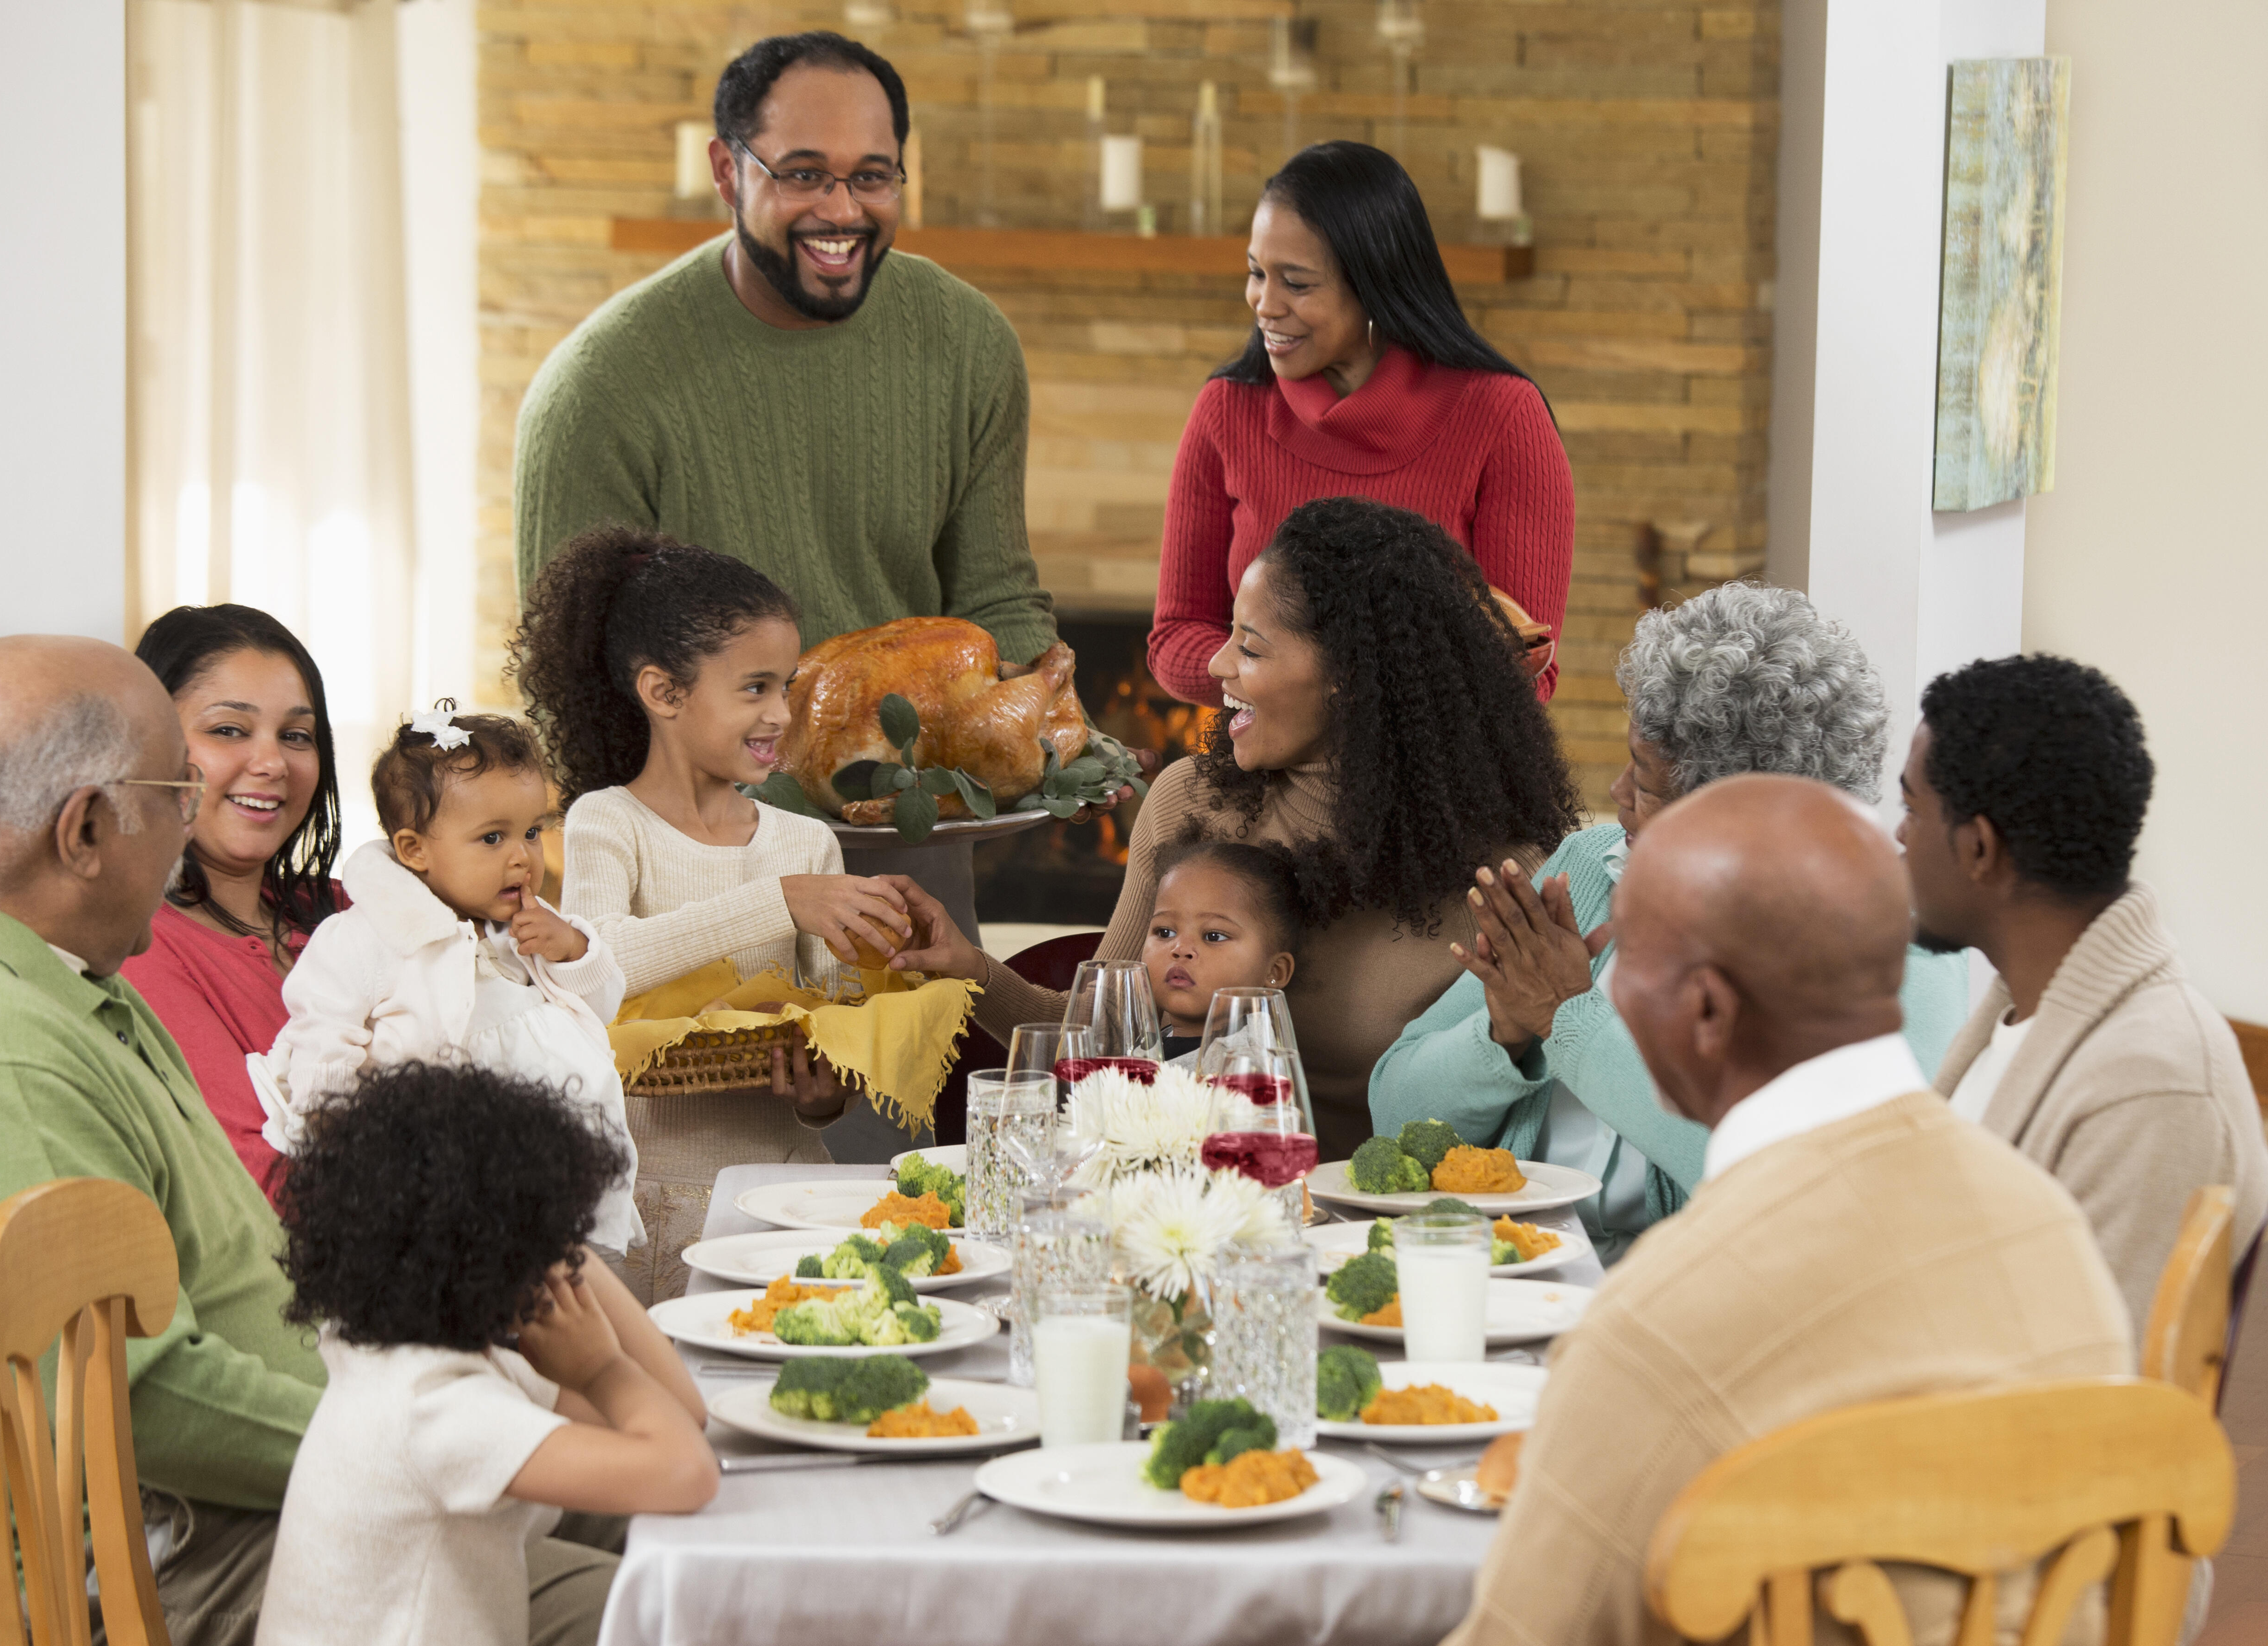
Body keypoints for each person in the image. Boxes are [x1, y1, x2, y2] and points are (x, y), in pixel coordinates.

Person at [0, 636, 619, 1646]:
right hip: (201, 1550)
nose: (191, 813)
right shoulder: (11, 1050)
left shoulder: (88, 982)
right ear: (88, 829)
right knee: (667, 1606)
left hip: (325, 1450)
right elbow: (130, 1397)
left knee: (684, 1507)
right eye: (175, 786)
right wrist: (417, 1444)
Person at [1444, 774, 2131, 1646]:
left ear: (1703, 1009)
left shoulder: (1664, 1319)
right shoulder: (2047, 1223)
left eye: (1620, 969)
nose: (1599, 996)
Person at [889, 495, 1585, 1161]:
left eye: (1249, 648)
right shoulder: (1191, 802)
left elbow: (1522, 1105)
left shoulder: (1503, 871)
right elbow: (1105, 1035)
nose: (1217, 665)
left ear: (1349, 677)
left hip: (1392, 1218)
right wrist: (970, 968)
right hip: (1203, 1207)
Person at [1371, 584, 1969, 1262]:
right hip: (1506, 1274)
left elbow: (1811, 1189)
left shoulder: (1901, 950)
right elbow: (1393, 1110)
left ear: (1736, 819)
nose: (1617, 793)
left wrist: (1566, 1019)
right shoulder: (1590, 868)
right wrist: (1502, 1033)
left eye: (1648, 782)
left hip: (1703, 1309)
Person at [512, 30, 1053, 667]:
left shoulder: (971, 340)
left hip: (927, 762)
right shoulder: (596, 391)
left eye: (871, 176)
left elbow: (997, 605)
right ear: (726, 171)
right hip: (701, 770)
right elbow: (567, 683)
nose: (842, 210)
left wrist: (1056, 746)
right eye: (804, 174)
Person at [514, 527, 911, 1290]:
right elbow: (601, 967)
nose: (781, 715)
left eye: (787, 686)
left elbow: (833, 1040)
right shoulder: (608, 822)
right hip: (643, 1206)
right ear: (663, 692)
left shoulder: (808, 844)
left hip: (784, 1203)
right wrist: (779, 903)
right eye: (755, 688)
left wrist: (829, 1094)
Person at [258, 1063, 717, 1646]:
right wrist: (603, 1369)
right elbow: (687, 1472)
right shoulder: (433, 1410)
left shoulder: (405, 1362)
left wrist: (551, 1238)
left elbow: (683, 1419)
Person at [1902, 654, 2268, 1328]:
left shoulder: (2154, 1086)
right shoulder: (2016, 1017)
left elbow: (2090, 1411)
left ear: (1979, 847)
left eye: (1910, 808)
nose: (1897, 836)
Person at [1148, 141, 1573, 710]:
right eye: (1256, 273)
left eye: (1296, 283)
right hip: (1257, 772)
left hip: (1428, 785)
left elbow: (1527, 670)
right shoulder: (1228, 408)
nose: (1264, 303)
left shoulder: (1502, 416)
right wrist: (1288, 684)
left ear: (1375, 285)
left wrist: (1320, 690)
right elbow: (1176, 637)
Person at [250, 708, 643, 1256]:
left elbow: (602, 1007)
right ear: (415, 851)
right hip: (439, 1177)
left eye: (532, 832)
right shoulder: (372, 936)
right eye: (492, 838)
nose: (522, 857)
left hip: (552, 1171)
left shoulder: (528, 929)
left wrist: (574, 948)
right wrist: (338, 1143)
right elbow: (324, 1035)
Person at [124, 604, 346, 1197]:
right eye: (229, 730)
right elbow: (263, 1183)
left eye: (297, 736)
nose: (272, 763)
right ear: (150, 742)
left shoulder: (348, 910)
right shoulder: (137, 947)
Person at [1142, 838, 1304, 1063]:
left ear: (1275, 972)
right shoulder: (1147, 1042)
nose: (1180, 949)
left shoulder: (1248, 1071)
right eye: (1165, 933)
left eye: (1214, 936)